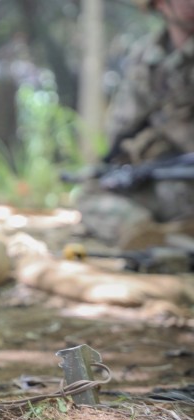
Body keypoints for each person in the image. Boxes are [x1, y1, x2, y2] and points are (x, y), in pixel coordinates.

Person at [76, 0, 194, 248]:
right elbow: (121, 129)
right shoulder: (146, 56)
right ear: (161, 5)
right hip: (165, 179)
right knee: (91, 192)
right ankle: (152, 232)